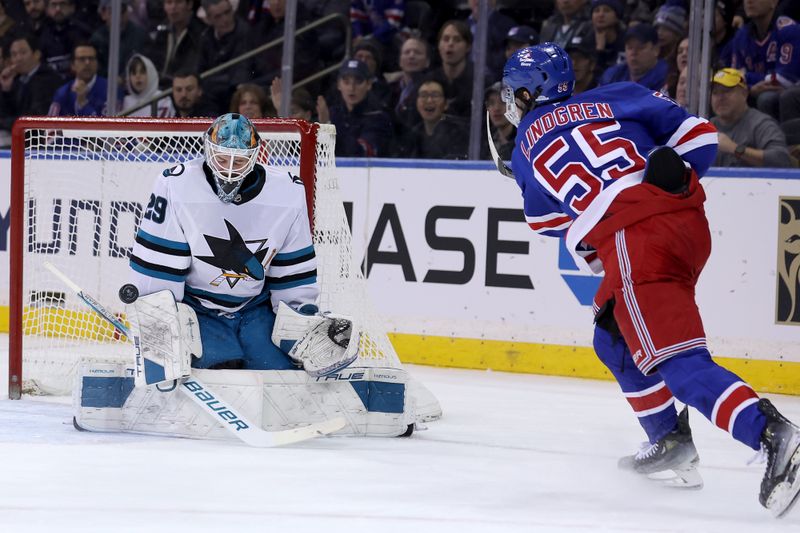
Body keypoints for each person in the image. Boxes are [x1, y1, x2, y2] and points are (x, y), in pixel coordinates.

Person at [499, 43, 800, 517]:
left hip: (635, 238)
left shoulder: (523, 149)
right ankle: (669, 440)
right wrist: (670, 182)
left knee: (679, 363)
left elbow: (545, 225)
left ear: (525, 92)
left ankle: (773, 436)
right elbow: (702, 139)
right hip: (684, 221)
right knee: (612, 336)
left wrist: (532, 178)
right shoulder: (619, 93)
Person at [128, 112, 319, 372]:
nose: (229, 168)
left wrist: (302, 323)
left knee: (279, 373)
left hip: (255, 308)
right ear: (207, 150)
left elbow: (292, 275)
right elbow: (157, 271)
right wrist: (158, 328)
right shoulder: (176, 185)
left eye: (239, 160)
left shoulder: (288, 192)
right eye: (221, 157)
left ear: (254, 157)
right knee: (221, 370)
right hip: (199, 310)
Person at [723, 0, 796, 119]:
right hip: (753, 90)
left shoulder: (789, 30)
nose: (748, 1)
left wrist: (748, 78)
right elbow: (734, 78)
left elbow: (786, 79)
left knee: (766, 99)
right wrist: (750, 89)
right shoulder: (741, 35)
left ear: (774, 2)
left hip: (789, 93)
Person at [709, 67, 793, 168]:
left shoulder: (761, 124)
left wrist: (735, 149)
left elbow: (781, 160)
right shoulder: (706, 127)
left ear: (744, 94)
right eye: (715, 93)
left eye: (727, 91)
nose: (720, 97)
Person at [317, 58, 391, 157]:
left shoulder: (379, 119)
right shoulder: (332, 114)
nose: (351, 88)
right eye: (346, 82)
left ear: (368, 84)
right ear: (339, 85)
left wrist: (327, 126)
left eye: (358, 82)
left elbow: (360, 154)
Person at [197, 0, 257, 115]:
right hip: (212, 89)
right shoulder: (206, 36)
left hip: (232, 89)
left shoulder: (245, 32)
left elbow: (243, 70)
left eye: (227, 12)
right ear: (209, 19)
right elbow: (200, 69)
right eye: (218, 16)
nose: (225, 19)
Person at [392, 77, 468, 159]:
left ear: (446, 104)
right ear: (417, 103)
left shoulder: (458, 133)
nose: (429, 100)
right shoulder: (412, 135)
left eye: (435, 95)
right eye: (423, 95)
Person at [0, 33, 62, 133]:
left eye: (23, 52)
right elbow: (7, 113)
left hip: (39, 138)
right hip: (16, 132)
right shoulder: (16, 79)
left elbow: (36, 118)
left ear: (36, 54)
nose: (18, 58)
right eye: (14, 54)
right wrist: (6, 90)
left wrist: (3, 122)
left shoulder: (48, 79)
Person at [48, 42, 121, 116]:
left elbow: (107, 125)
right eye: (82, 59)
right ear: (73, 65)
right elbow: (51, 124)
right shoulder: (62, 93)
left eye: (91, 59)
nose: (87, 63)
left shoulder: (112, 90)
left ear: (97, 63)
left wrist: (82, 103)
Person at [598, 24, 668, 91]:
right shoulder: (613, 75)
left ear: (656, 50)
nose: (633, 53)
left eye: (640, 48)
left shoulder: (667, 78)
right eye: (629, 48)